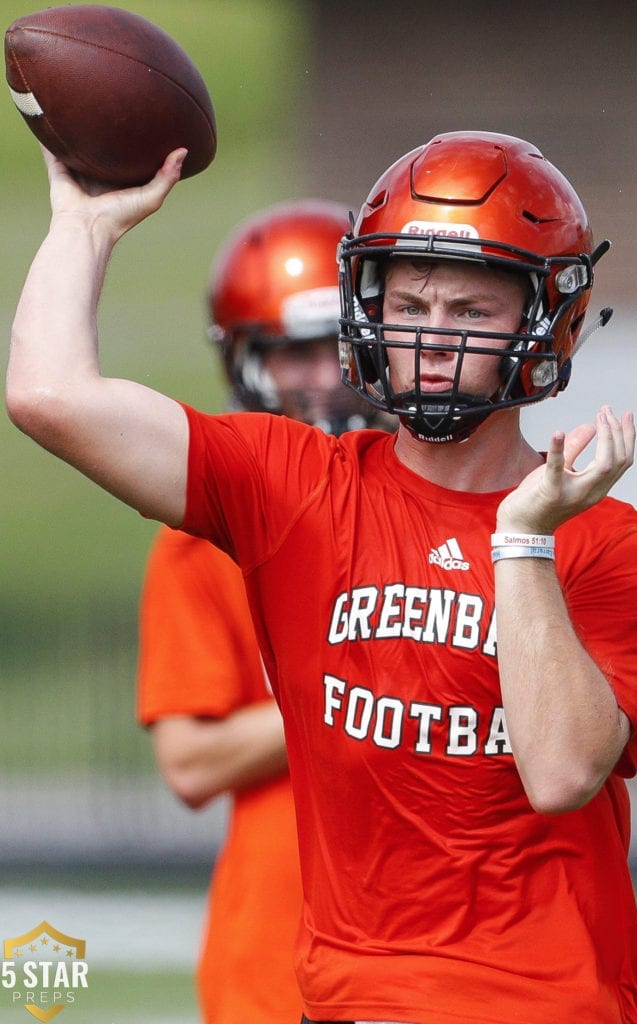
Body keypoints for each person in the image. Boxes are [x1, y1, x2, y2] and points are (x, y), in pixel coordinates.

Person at [7, 131, 637, 1024]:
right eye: (410, 304)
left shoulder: (604, 540)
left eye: (470, 312)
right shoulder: (297, 486)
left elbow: (558, 773)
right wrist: (84, 227)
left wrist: (520, 541)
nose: (431, 339)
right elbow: (48, 397)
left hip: (551, 1001)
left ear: (541, 324)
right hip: (355, 999)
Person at [136, 199, 389, 1024]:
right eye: (295, 355)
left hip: (437, 930)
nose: (322, 379)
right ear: (250, 363)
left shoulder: (442, 502)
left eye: (340, 350)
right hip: (278, 941)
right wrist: (364, 687)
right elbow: (190, 761)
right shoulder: (201, 536)